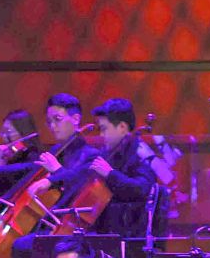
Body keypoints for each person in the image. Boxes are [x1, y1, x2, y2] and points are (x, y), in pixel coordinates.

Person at [0, 94, 99, 258]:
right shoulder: (58, 150)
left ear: (75, 119)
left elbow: (80, 188)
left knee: (20, 246)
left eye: (57, 119)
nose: (53, 126)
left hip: (69, 228)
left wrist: (56, 171)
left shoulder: (90, 154)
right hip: (48, 223)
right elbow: (27, 168)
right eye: (49, 121)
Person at [57, 98, 157, 237]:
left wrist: (110, 174)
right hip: (99, 231)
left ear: (122, 127)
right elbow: (79, 175)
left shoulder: (140, 154)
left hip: (121, 236)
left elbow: (141, 189)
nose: (101, 135)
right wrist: (55, 176)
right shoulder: (107, 153)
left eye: (104, 129)